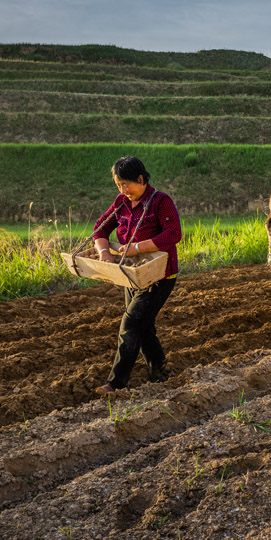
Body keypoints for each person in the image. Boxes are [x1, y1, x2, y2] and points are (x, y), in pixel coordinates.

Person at [91, 156, 182, 392]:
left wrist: (138, 248)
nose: (122, 190)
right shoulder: (121, 202)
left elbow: (173, 234)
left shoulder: (160, 201)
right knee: (144, 325)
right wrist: (104, 253)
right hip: (132, 274)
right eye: (118, 185)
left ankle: (115, 383)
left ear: (141, 179)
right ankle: (159, 370)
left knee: (131, 323)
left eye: (126, 184)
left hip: (159, 276)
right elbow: (100, 228)